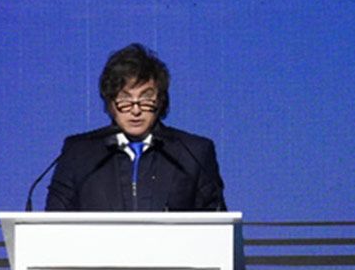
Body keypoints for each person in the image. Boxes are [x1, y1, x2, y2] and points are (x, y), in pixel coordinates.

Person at [45, 43, 226, 211]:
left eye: (146, 98)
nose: (136, 110)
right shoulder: (79, 154)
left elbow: (219, 224)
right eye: (125, 100)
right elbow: (54, 221)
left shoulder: (193, 153)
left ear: (160, 101)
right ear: (110, 103)